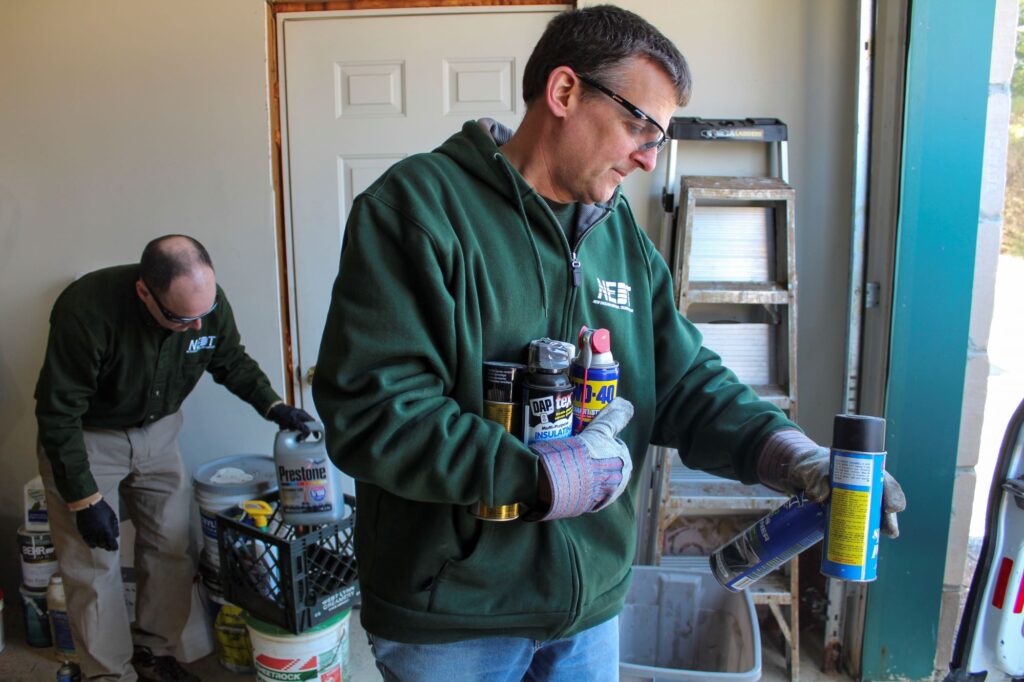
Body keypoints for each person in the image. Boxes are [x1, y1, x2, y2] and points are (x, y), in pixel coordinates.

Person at [312, 5, 907, 680]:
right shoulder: (418, 211)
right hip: (454, 617)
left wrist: (795, 457)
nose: (650, 158)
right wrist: (542, 476)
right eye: (639, 125)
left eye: (660, 136)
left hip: (589, 609)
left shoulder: (620, 238)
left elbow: (685, 384)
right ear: (565, 92)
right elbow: (376, 414)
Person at [35, 234, 313, 681]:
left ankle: (154, 652)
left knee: (170, 545)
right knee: (93, 561)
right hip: (88, 436)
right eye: (183, 319)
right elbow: (58, 411)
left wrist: (273, 406)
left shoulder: (204, 303)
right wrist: (84, 501)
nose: (199, 327)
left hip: (160, 432)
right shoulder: (85, 311)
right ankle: (109, 673)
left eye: (204, 315)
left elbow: (230, 359)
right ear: (145, 292)